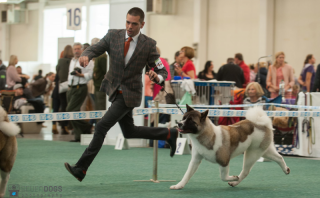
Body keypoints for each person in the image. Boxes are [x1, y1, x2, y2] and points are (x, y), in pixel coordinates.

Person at [64, 7, 178, 182]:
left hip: (130, 94)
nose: (130, 26)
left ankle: (81, 168)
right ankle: (168, 134)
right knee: (129, 131)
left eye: (134, 23)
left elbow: (162, 70)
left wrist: (158, 77)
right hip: (113, 90)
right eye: (127, 22)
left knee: (101, 126)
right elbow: (95, 49)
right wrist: (86, 55)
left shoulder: (148, 44)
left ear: (142, 24)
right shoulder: (113, 36)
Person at [66, 43, 94, 142]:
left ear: (82, 50)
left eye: (78, 49)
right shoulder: (72, 60)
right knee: (73, 113)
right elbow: (70, 75)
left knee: (70, 111)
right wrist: (68, 86)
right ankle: (78, 136)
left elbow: (90, 75)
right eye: (75, 49)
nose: (76, 51)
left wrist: (80, 75)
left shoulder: (88, 60)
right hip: (71, 88)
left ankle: (86, 126)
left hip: (80, 87)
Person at [56, 45, 74, 135]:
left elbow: (57, 71)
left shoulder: (60, 61)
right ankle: (71, 125)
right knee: (71, 106)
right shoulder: (73, 61)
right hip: (71, 86)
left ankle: (63, 126)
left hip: (62, 86)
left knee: (63, 106)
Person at [92, 38, 107, 122]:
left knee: (101, 110)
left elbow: (106, 72)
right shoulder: (98, 57)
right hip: (97, 87)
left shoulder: (102, 57)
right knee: (98, 109)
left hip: (101, 88)